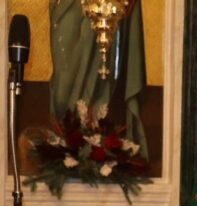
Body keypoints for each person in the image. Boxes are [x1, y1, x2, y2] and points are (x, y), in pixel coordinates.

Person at [49, 0, 149, 158]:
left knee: (102, 73)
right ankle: (66, 138)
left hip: (107, 6)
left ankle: (95, 140)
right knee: (64, 78)